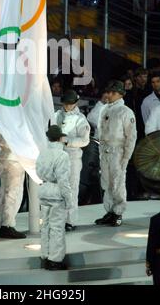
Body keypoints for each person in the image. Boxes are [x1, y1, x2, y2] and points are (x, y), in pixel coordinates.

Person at [95, 80, 137, 227]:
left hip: (118, 151)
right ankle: (110, 211)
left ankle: (118, 212)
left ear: (120, 94)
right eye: (109, 92)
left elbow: (131, 137)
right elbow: (100, 131)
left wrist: (126, 157)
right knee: (106, 182)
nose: (109, 94)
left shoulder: (126, 111)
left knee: (118, 182)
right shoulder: (104, 109)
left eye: (113, 92)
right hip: (105, 149)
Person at [36, 125, 72, 271]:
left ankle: (45, 255)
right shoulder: (62, 155)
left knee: (44, 227)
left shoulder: (42, 153)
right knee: (57, 227)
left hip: (44, 191)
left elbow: (38, 173)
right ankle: (55, 260)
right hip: (56, 193)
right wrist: (68, 199)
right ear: (60, 138)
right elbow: (63, 180)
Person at [55, 89, 90, 231]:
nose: (67, 106)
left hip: (72, 157)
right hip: (57, 156)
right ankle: (58, 219)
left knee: (71, 189)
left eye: (70, 104)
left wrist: (67, 141)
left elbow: (85, 140)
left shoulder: (80, 119)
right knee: (58, 190)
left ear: (75, 103)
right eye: (65, 103)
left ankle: (70, 220)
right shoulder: (56, 115)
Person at [0, 121, 26, 239]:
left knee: (6, 192)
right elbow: (2, 139)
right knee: (12, 193)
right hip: (13, 158)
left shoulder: (1, 118)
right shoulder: (8, 117)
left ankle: (5, 224)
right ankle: (7, 226)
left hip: (9, 157)